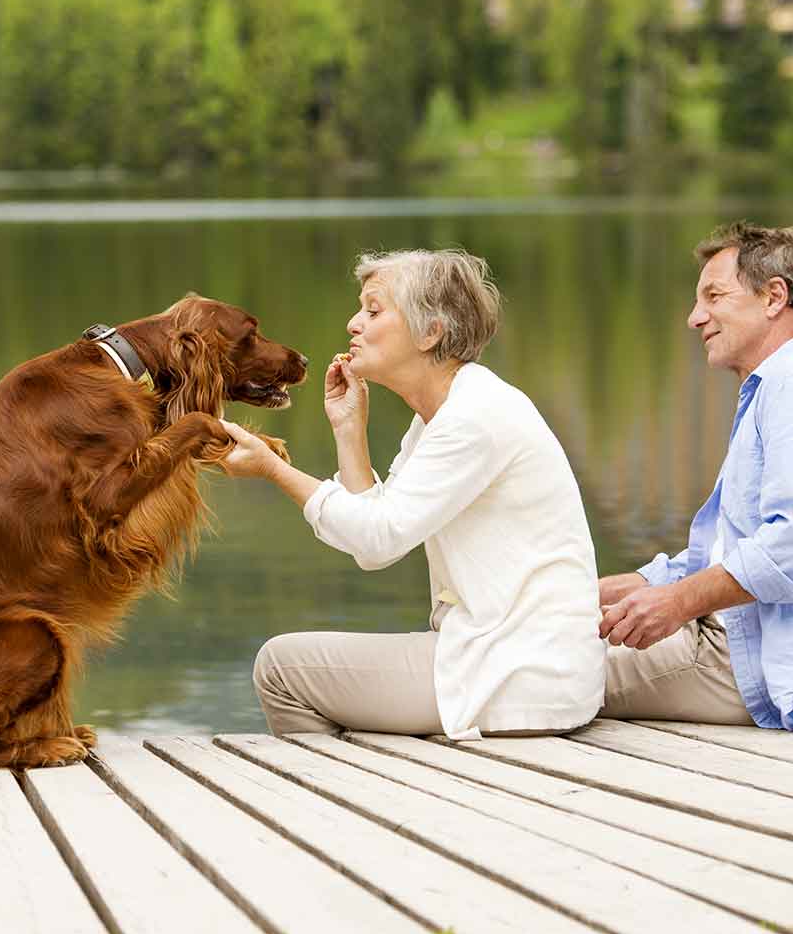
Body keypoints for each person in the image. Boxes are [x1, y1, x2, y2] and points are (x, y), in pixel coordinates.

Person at [220, 249, 604, 740]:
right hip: (510, 662)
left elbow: (378, 538)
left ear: (431, 332)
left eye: (374, 310)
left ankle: (320, 801)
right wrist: (348, 431)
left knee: (280, 668)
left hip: (516, 675)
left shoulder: (473, 418)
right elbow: (373, 546)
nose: (353, 323)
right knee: (296, 669)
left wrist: (273, 469)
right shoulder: (445, 415)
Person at [598, 221, 793, 731]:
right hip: (736, 649)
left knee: (530, 672)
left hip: (764, 670)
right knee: (552, 635)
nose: (695, 318)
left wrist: (675, 604)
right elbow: (726, 554)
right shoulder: (782, 388)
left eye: (713, 296)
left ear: (773, 297)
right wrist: (620, 590)